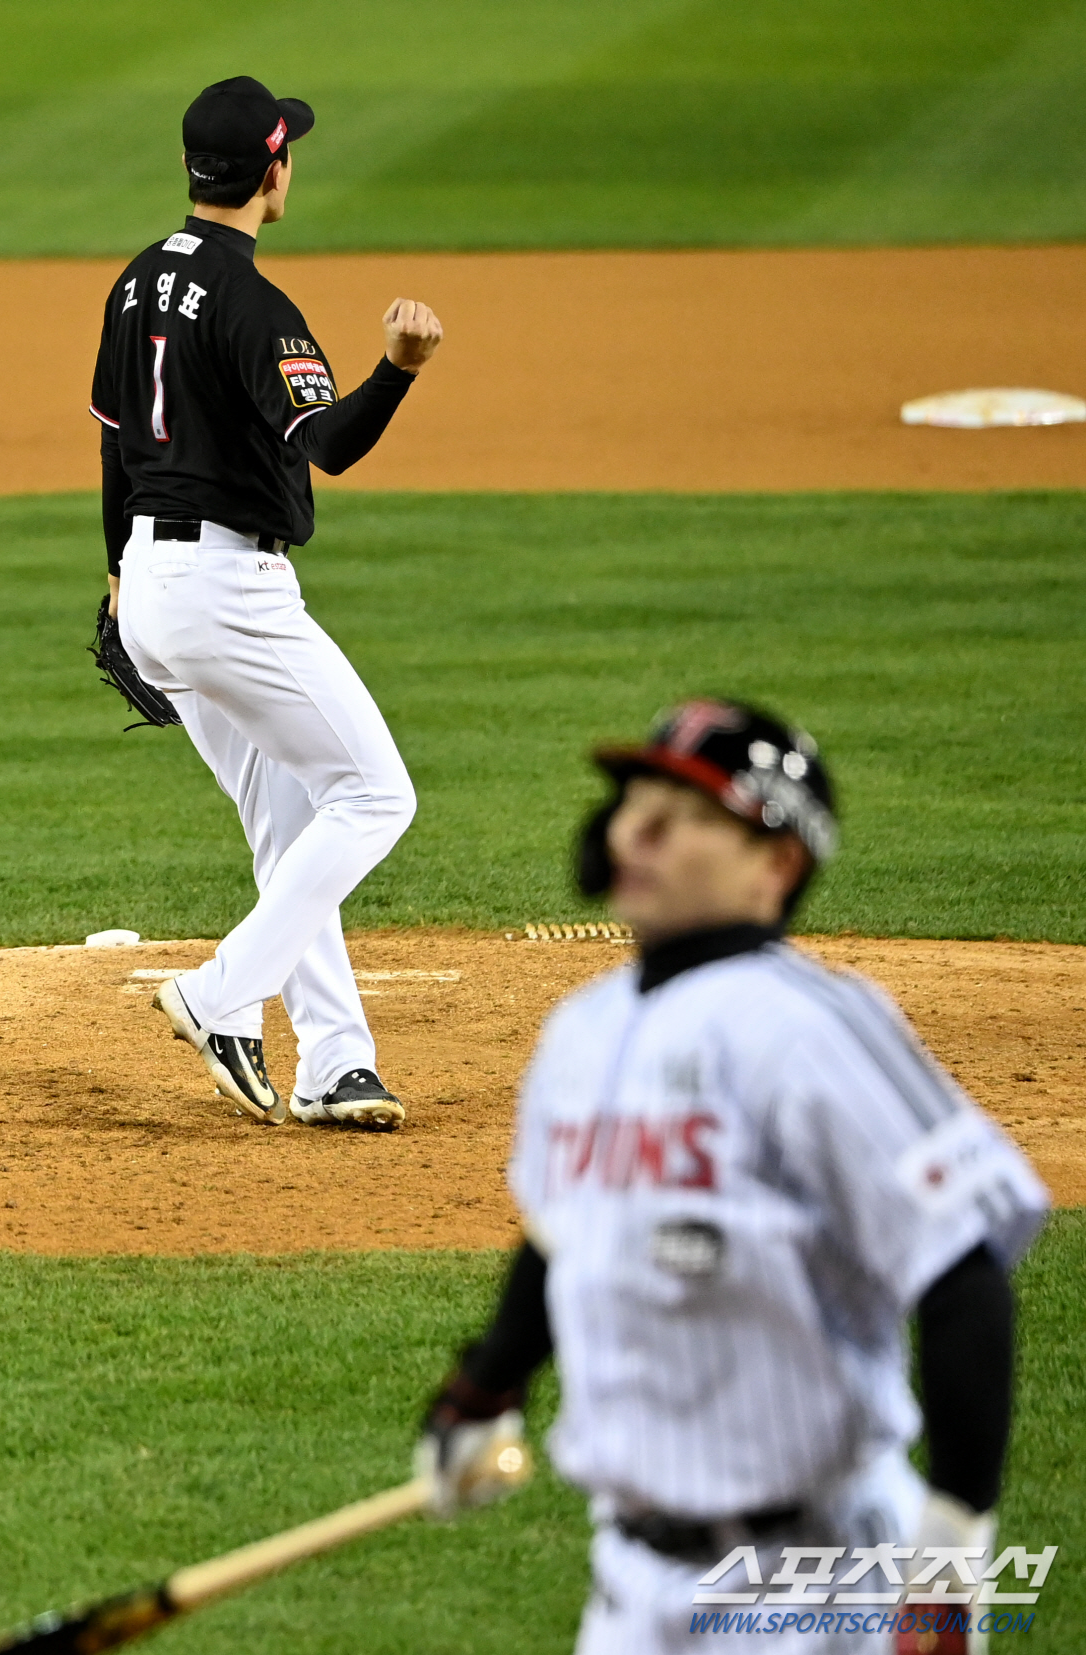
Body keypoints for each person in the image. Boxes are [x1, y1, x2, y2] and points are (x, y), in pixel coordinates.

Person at [416, 699, 1048, 1653]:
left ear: (777, 862)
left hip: (822, 1585)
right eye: (637, 803)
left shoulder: (810, 1030)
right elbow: (564, 1232)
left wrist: (950, 1568)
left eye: (690, 816)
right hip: (631, 1590)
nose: (640, 830)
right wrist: (485, 1388)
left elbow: (964, 1285)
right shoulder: (580, 1030)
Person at [89, 76, 443, 1131]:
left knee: (290, 818)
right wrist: (400, 368)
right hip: (226, 594)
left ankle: (335, 1058)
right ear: (272, 169)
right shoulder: (255, 304)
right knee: (377, 798)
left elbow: (115, 444)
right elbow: (327, 443)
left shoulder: (137, 281)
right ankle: (220, 991)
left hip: (153, 588)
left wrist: (118, 581)